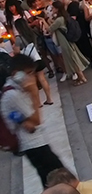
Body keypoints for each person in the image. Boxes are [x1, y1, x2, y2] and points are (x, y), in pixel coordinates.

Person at [1, 54, 66, 186]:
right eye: (28, 73)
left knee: (51, 179)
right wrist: (34, 92)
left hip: (34, 141)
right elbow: (37, 119)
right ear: (16, 73)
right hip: (33, 144)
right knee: (57, 178)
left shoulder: (13, 88)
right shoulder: (13, 94)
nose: (32, 77)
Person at [47, 1, 88, 86]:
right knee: (73, 58)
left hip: (65, 42)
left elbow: (50, 29)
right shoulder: (64, 17)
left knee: (72, 60)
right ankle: (81, 77)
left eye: (53, 8)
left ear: (57, 9)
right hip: (67, 40)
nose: (52, 10)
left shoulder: (59, 19)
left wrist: (44, 20)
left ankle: (82, 77)